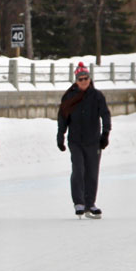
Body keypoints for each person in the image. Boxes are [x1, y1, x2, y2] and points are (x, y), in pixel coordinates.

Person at [56, 62, 112, 218]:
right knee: (79, 169)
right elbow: (62, 118)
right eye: (80, 79)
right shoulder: (69, 96)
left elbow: (105, 115)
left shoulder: (97, 96)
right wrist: (60, 135)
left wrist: (105, 133)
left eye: (86, 78)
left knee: (92, 172)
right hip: (75, 141)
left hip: (93, 140)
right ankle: (79, 202)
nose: (83, 81)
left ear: (90, 78)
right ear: (76, 80)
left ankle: (90, 203)